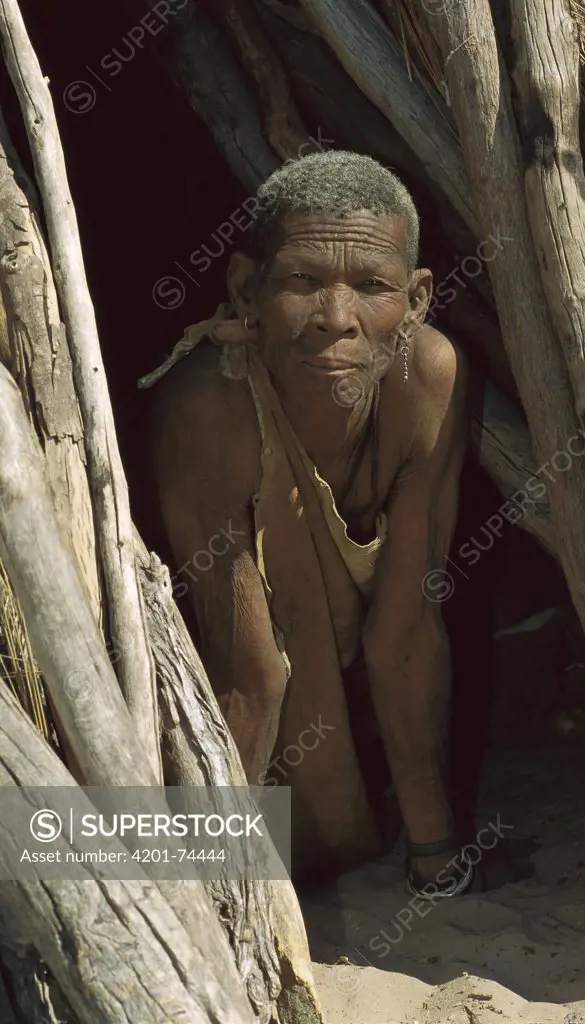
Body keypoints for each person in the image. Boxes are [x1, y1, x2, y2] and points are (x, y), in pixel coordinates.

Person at [147, 150, 469, 894]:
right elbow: (244, 672)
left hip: (344, 676)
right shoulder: (211, 405)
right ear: (244, 288)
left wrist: (437, 857)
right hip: (234, 708)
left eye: (371, 287)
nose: (335, 319)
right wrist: (217, 897)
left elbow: (406, 629)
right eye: (301, 281)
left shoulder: (427, 381)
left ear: (417, 299)